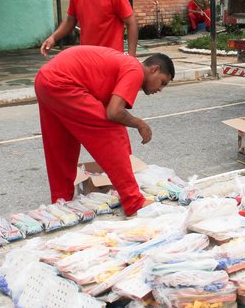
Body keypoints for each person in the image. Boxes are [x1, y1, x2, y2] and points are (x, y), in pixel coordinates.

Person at [34, 46, 174, 216]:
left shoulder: (126, 65)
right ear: (154, 69)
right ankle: (133, 200)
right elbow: (114, 112)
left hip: (44, 79)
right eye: (162, 82)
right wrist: (140, 124)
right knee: (112, 132)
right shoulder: (135, 70)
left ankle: (60, 204)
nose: (159, 89)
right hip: (63, 82)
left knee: (62, 145)